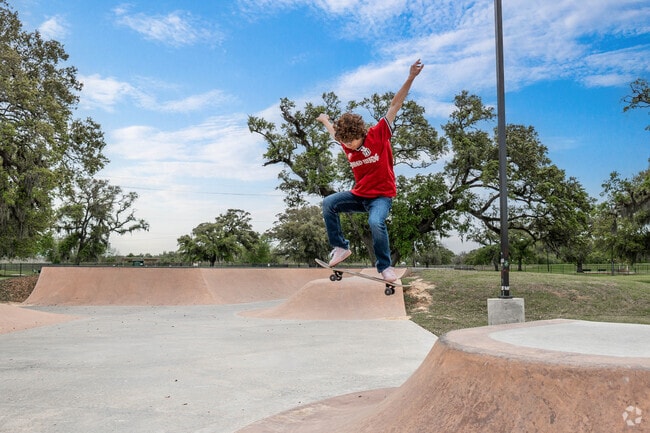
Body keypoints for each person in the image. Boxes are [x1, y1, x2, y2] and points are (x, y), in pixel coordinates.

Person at [316, 59, 424, 282]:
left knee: (375, 222)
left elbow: (394, 105)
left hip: (381, 197)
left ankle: (385, 266)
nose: (351, 146)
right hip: (359, 195)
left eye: (354, 141)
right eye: (346, 143)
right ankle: (340, 247)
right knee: (328, 203)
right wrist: (325, 120)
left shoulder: (378, 134)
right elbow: (333, 133)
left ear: (361, 132)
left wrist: (411, 77)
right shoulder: (346, 143)